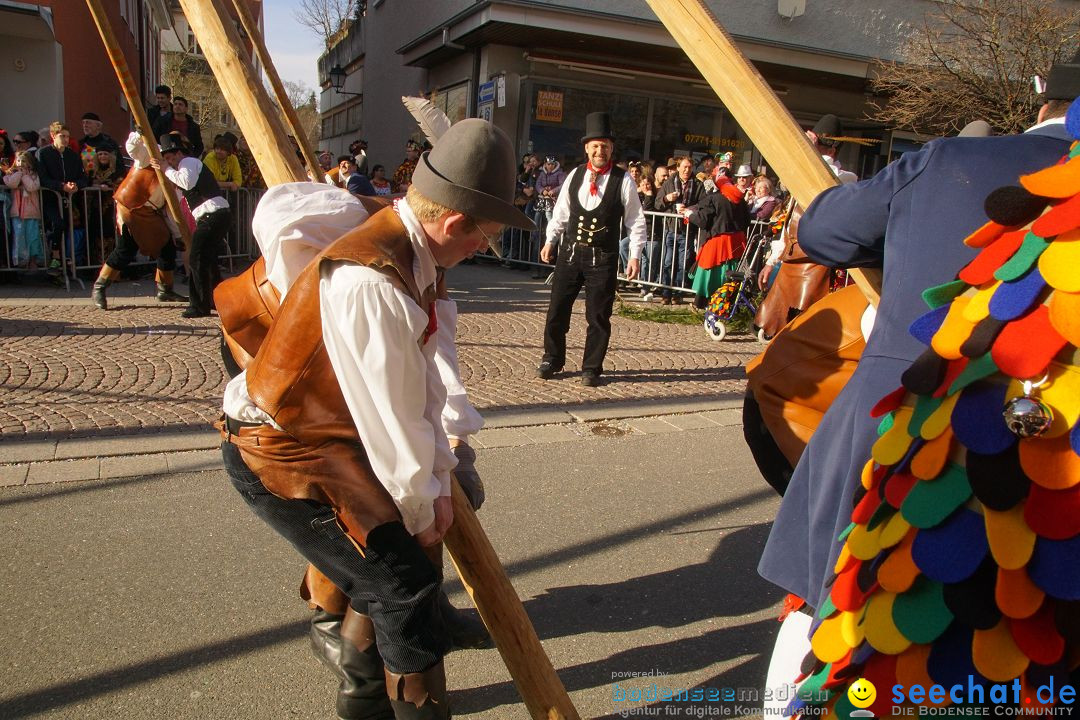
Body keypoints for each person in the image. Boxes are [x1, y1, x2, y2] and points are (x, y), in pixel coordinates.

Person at [756, 58, 1078, 650]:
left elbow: (825, 231)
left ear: (1043, 105)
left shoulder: (951, 160)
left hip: (904, 430)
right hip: (1061, 474)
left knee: (837, 620)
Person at [217, 118, 533, 720]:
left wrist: (441, 471)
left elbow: (422, 391)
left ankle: (361, 696)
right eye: (483, 239)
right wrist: (426, 498)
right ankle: (405, 705)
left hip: (323, 441)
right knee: (401, 580)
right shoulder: (373, 280)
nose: (480, 253)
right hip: (277, 453)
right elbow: (395, 418)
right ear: (456, 222)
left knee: (390, 576)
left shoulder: (413, 253)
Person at [537, 111, 645, 386]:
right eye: (595, 146)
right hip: (570, 254)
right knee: (557, 309)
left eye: (605, 146)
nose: (600, 150)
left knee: (598, 316)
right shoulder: (574, 175)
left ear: (611, 149)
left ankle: (591, 367)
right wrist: (551, 240)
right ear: (587, 148)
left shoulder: (624, 180)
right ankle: (552, 358)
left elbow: (635, 220)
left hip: (603, 258)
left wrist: (634, 255)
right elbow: (561, 212)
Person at [754, 114, 858, 338]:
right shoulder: (801, 176)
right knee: (771, 324)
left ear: (831, 150)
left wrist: (809, 153)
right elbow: (787, 225)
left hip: (817, 268)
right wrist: (772, 262)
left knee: (804, 331)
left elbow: (826, 181)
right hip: (791, 262)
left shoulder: (844, 179)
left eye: (817, 147)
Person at [90, 132, 186, 310]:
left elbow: (171, 211)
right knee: (126, 248)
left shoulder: (174, 175)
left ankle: (165, 289)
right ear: (163, 153)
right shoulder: (149, 156)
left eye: (177, 155)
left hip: (150, 213)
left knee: (167, 246)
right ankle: (100, 286)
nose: (173, 159)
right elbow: (133, 149)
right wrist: (138, 135)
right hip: (131, 207)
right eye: (170, 155)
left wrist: (178, 235)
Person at [148, 131, 229, 318]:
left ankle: (200, 305)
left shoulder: (188, 162)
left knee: (197, 258)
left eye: (170, 158)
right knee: (207, 260)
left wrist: (165, 169)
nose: (169, 161)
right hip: (214, 215)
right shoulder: (186, 165)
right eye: (166, 158)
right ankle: (217, 300)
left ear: (178, 154)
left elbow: (186, 181)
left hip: (213, 215)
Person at [685, 176, 750, 308]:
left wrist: (689, 215)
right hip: (736, 242)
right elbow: (747, 221)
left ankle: (704, 303)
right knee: (731, 272)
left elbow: (703, 222)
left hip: (717, 242)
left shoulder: (714, 199)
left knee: (709, 271)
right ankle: (730, 303)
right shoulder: (740, 200)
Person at [37, 121, 88, 275]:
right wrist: (61, 186)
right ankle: (55, 256)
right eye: (62, 136)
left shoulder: (72, 155)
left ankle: (66, 261)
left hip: (68, 199)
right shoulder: (43, 153)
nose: (65, 139)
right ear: (53, 136)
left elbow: (83, 178)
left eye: (67, 136)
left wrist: (75, 185)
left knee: (67, 226)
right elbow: (43, 178)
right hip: (50, 198)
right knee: (57, 224)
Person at [653, 156, 705, 304]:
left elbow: (704, 204)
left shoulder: (697, 184)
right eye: (684, 167)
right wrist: (666, 199)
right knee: (668, 261)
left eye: (689, 167)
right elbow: (657, 204)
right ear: (678, 168)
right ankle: (665, 292)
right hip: (670, 228)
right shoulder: (669, 183)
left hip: (687, 229)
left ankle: (677, 293)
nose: (687, 170)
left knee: (683, 263)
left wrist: (691, 209)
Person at [4, 150, 45, 269]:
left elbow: (32, 187)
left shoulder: (33, 175)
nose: (21, 163)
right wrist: (18, 174)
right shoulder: (10, 174)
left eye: (24, 161)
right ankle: (21, 261)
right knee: (19, 237)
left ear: (30, 163)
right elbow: (12, 184)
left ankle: (33, 260)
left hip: (31, 211)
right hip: (17, 212)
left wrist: (25, 175)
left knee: (33, 236)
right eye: (18, 160)